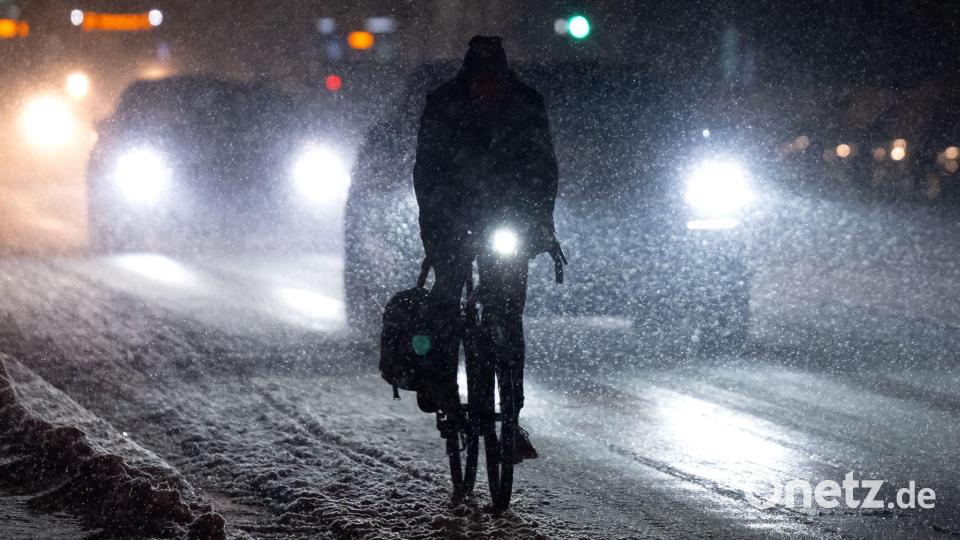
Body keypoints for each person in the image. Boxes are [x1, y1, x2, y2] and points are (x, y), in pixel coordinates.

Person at [413, 35, 559, 463]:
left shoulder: (527, 105)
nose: (486, 89)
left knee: (508, 316)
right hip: (453, 220)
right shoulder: (443, 105)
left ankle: (510, 417)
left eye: (493, 80)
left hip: (506, 222)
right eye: (480, 80)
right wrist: (438, 224)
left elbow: (543, 170)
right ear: (469, 78)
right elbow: (427, 170)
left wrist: (540, 223)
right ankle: (439, 380)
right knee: (446, 299)